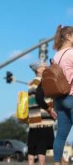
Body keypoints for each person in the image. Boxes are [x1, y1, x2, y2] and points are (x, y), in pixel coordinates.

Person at [27, 61, 57, 165]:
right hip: (43, 120)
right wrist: (50, 110)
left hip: (33, 121)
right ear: (39, 69)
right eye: (44, 66)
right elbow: (39, 99)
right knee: (41, 151)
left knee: (32, 150)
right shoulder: (43, 82)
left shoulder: (31, 83)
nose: (46, 68)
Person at [51, 25, 73, 165]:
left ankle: (56, 163)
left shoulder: (56, 55)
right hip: (71, 96)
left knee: (60, 136)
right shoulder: (71, 53)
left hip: (59, 99)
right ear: (69, 37)